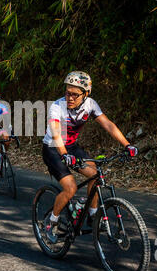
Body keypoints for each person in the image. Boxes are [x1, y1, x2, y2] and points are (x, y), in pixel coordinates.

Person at [42, 71, 138, 243]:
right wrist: (64, 155)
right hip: (53, 148)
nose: (69, 98)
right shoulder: (57, 107)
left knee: (95, 175)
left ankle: (93, 215)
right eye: (67, 93)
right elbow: (56, 134)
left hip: (71, 147)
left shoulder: (90, 104)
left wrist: (127, 144)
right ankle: (51, 222)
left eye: (75, 94)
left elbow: (108, 124)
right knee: (70, 188)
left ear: (86, 94)